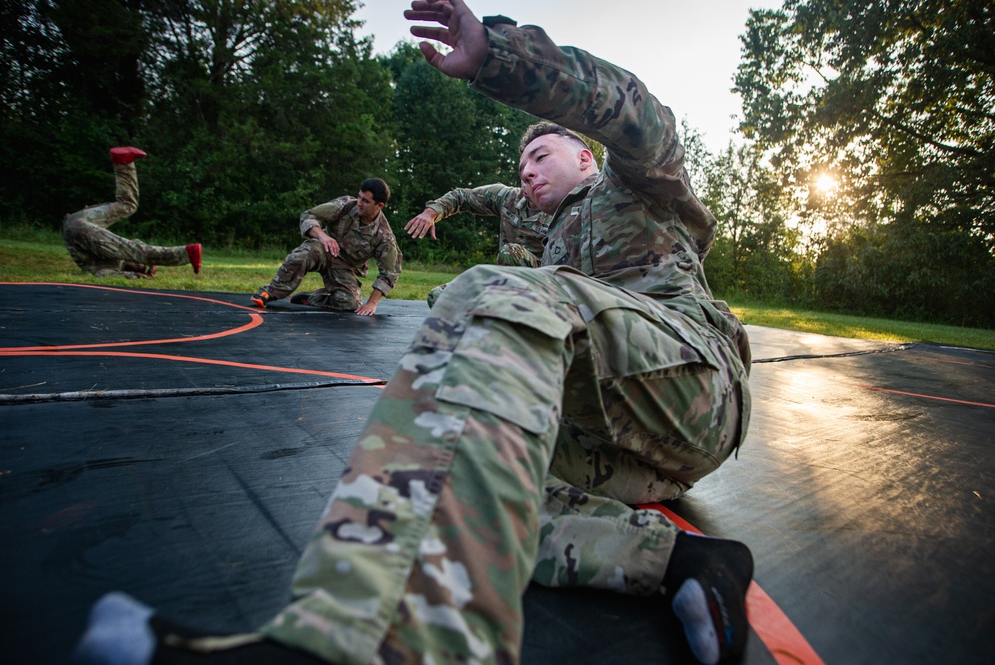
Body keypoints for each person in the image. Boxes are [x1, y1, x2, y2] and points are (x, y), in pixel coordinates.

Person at [74, 3, 754, 665]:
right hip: (623, 445)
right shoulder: (540, 229)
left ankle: (384, 642)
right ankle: (685, 559)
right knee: (451, 468)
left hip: (696, 388)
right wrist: (439, 207)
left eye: (541, 153)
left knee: (493, 292)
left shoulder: (640, 186)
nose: (527, 167)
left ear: (584, 156)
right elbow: (480, 201)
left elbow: (632, 107)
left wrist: (498, 56)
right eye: (521, 161)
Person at [249, 178, 402, 316]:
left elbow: (389, 273)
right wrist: (323, 236)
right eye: (359, 197)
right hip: (322, 250)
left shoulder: (384, 235)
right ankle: (269, 293)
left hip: (344, 268)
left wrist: (372, 303)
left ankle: (313, 298)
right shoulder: (346, 205)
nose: (359, 203)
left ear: (379, 205)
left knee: (349, 303)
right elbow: (308, 216)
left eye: (366, 201)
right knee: (303, 254)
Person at [61, 147, 202, 278]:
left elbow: (109, 271)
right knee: (128, 206)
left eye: (138, 265)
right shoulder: (120, 255)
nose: (139, 264)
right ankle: (123, 162)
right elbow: (136, 246)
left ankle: (187, 253)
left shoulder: (109, 265)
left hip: (76, 229)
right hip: (78, 220)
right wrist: (149, 264)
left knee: (137, 251)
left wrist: (134, 276)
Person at [406, 181, 547, 307]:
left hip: (544, 290)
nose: (529, 177)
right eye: (525, 170)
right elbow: (462, 196)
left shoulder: (563, 211)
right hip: (502, 283)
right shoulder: (507, 197)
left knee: (511, 253)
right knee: (438, 297)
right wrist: (432, 212)